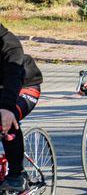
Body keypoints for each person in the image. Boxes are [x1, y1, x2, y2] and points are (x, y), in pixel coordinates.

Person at [0, 24, 43, 191]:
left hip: (24, 86)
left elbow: (13, 76)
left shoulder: (9, 44)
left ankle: (17, 174)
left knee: (7, 119)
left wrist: (7, 108)